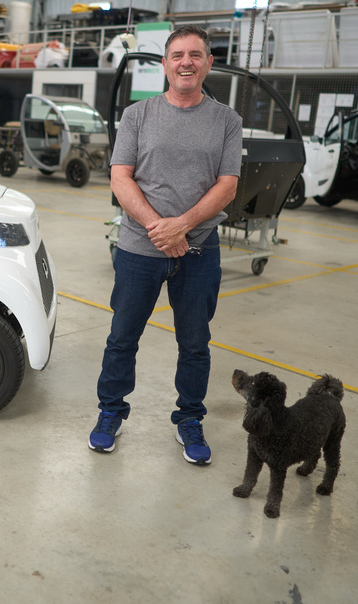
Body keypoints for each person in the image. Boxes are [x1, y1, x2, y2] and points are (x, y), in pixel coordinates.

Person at [88, 24, 242, 465]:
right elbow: (121, 178)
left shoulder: (228, 121)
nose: (186, 62)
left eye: (196, 55)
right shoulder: (138, 115)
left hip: (199, 250)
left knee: (195, 343)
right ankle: (109, 413)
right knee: (122, 337)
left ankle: (190, 418)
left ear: (209, 63)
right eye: (177, 55)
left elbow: (227, 185)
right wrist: (160, 228)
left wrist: (184, 228)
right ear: (165, 65)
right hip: (139, 248)